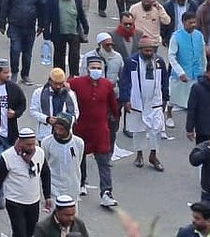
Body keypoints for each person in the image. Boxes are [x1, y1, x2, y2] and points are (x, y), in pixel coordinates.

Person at [69, 56, 119, 207]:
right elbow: (63, 88)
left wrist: (115, 118)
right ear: (87, 68)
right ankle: (81, 183)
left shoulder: (107, 85)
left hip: (100, 130)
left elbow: (113, 105)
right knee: (79, 158)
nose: (96, 70)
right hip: (80, 128)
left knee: (104, 161)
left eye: (98, 68)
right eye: (93, 67)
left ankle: (106, 192)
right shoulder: (76, 83)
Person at [0, 128, 50, 237]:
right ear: (20, 142)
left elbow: (45, 174)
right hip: (15, 202)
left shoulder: (39, 153)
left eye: (33, 144)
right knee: (20, 233)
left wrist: (47, 196)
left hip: (33, 201)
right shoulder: (7, 157)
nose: (31, 147)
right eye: (28, 145)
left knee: (30, 232)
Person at [120, 34, 168, 171]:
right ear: (140, 49)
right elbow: (125, 82)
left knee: (156, 129)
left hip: (155, 101)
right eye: (146, 51)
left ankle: (153, 155)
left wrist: (165, 97)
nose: (149, 53)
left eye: (151, 50)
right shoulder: (132, 62)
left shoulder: (159, 61)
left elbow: (164, 80)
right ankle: (139, 154)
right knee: (138, 129)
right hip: (137, 101)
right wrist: (126, 99)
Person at [0, 0, 43, 87]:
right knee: (15, 50)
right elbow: (4, 8)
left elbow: (40, 10)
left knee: (27, 53)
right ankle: (14, 72)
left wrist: (41, 25)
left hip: (29, 28)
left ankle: (25, 75)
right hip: (15, 27)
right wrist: (2, 23)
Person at [43, 0, 88, 78]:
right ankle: (59, 77)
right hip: (59, 32)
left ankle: (73, 77)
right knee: (59, 57)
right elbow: (47, 16)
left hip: (74, 32)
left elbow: (81, 13)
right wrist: (46, 32)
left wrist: (85, 27)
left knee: (74, 56)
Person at [41, 116, 84, 209]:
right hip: (54, 186)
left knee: (71, 218)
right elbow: (45, 164)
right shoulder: (47, 142)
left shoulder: (78, 143)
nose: (58, 131)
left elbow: (78, 162)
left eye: (61, 129)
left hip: (72, 186)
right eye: (56, 128)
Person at [29, 69, 79, 141]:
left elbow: (75, 113)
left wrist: (65, 121)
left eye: (60, 84)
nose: (58, 86)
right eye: (55, 83)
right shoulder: (38, 93)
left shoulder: (70, 94)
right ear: (50, 81)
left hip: (64, 134)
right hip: (45, 134)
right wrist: (47, 119)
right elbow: (33, 111)